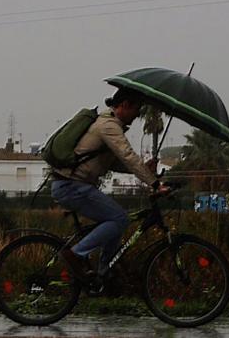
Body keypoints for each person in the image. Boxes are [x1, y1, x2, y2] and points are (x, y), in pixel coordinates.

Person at [51, 87, 168, 281]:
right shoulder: (109, 125)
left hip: (74, 185)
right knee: (119, 219)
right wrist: (154, 184)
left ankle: (103, 274)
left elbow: (114, 163)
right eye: (136, 111)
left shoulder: (109, 124)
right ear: (125, 105)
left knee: (116, 221)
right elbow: (128, 156)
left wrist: (146, 169)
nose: (136, 116)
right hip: (71, 186)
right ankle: (76, 254)